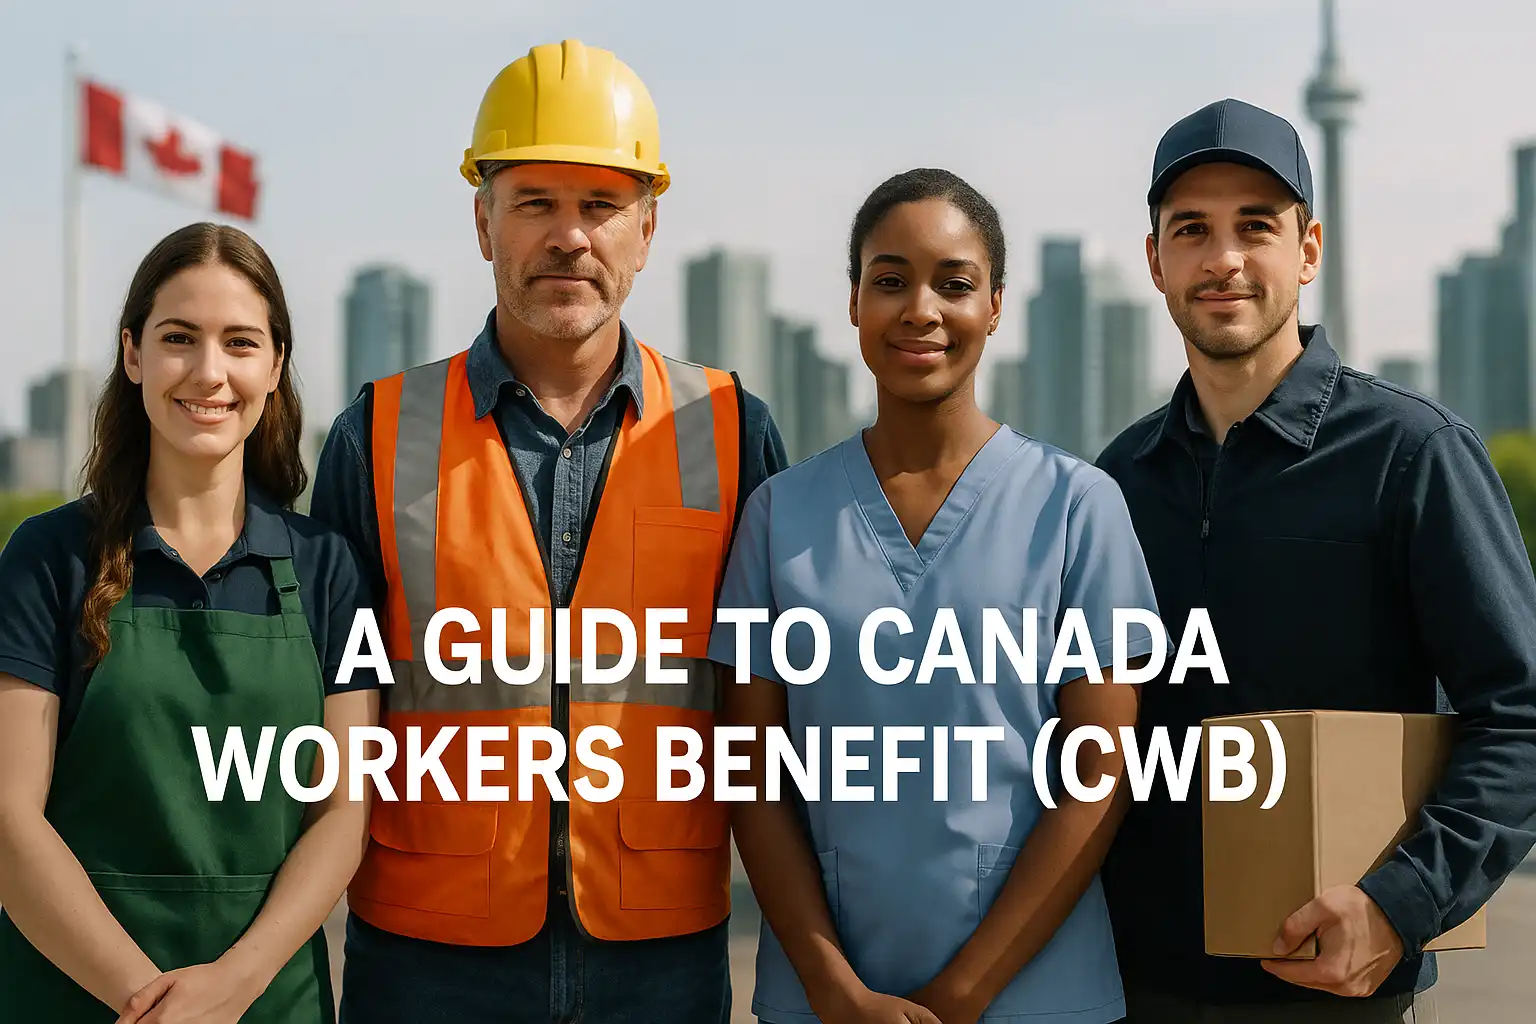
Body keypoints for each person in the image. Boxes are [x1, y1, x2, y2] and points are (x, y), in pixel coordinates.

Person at [307, 38, 788, 1024]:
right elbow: (324, 709)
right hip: (426, 963)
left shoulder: (733, 429)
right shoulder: (378, 433)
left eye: (601, 206)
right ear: (484, 224)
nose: (570, 236)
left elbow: (777, 711)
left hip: (662, 960)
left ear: (646, 230)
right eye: (535, 204)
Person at [1095, 97, 1536, 1023]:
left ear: (1308, 250)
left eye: (1256, 227)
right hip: (1131, 989)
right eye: (1192, 231)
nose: (1224, 259)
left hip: (1342, 990)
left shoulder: (1413, 455)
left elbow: (1520, 717)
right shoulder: (1115, 481)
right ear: (1156, 261)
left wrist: (1400, 904)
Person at [709, 167, 1162, 1024]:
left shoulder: (1077, 508)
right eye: (890, 281)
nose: (921, 309)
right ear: (853, 303)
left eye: (954, 284)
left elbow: (1103, 773)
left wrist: (963, 996)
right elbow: (752, 773)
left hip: (1037, 1001)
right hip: (824, 1004)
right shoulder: (779, 516)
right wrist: (833, 991)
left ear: (995, 305)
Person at [0, 222, 381, 1024]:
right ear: (133, 354)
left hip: (268, 1001)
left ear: (275, 366)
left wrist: (231, 986)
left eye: (240, 342)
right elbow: (10, 818)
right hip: (72, 996)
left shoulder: (327, 569)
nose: (209, 372)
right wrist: (154, 1007)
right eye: (180, 338)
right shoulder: (49, 557)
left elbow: (343, 814)